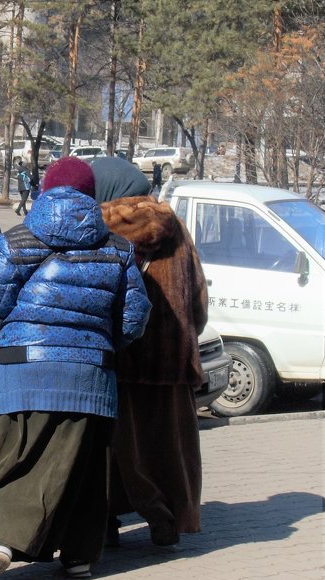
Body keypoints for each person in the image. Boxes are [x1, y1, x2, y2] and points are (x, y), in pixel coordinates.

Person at [0, 156, 151, 580]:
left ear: (45, 189)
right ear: (90, 194)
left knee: (11, 455)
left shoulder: (17, 238)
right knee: (83, 467)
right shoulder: (117, 247)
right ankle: (79, 556)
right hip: (91, 372)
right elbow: (134, 318)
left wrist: (23, 327)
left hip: (22, 368)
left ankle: (0, 541)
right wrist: (99, 340)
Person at [91, 157, 208, 547]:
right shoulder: (176, 229)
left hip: (117, 361)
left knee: (111, 450)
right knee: (168, 450)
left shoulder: (98, 230)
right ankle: (167, 520)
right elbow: (198, 299)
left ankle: (104, 522)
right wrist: (186, 338)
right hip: (171, 364)